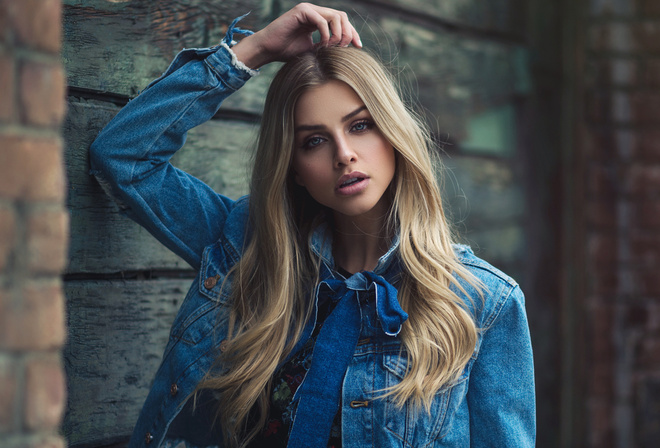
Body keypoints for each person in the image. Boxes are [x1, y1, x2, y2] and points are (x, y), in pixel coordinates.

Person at [89, 3, 535, 448]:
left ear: (394, 136)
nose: (344, 154)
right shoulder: (247, 248)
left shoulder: (483, 304)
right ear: (295, 168)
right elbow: (125, 158)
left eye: (361, 126)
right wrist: (254, 50)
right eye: (315, 141)